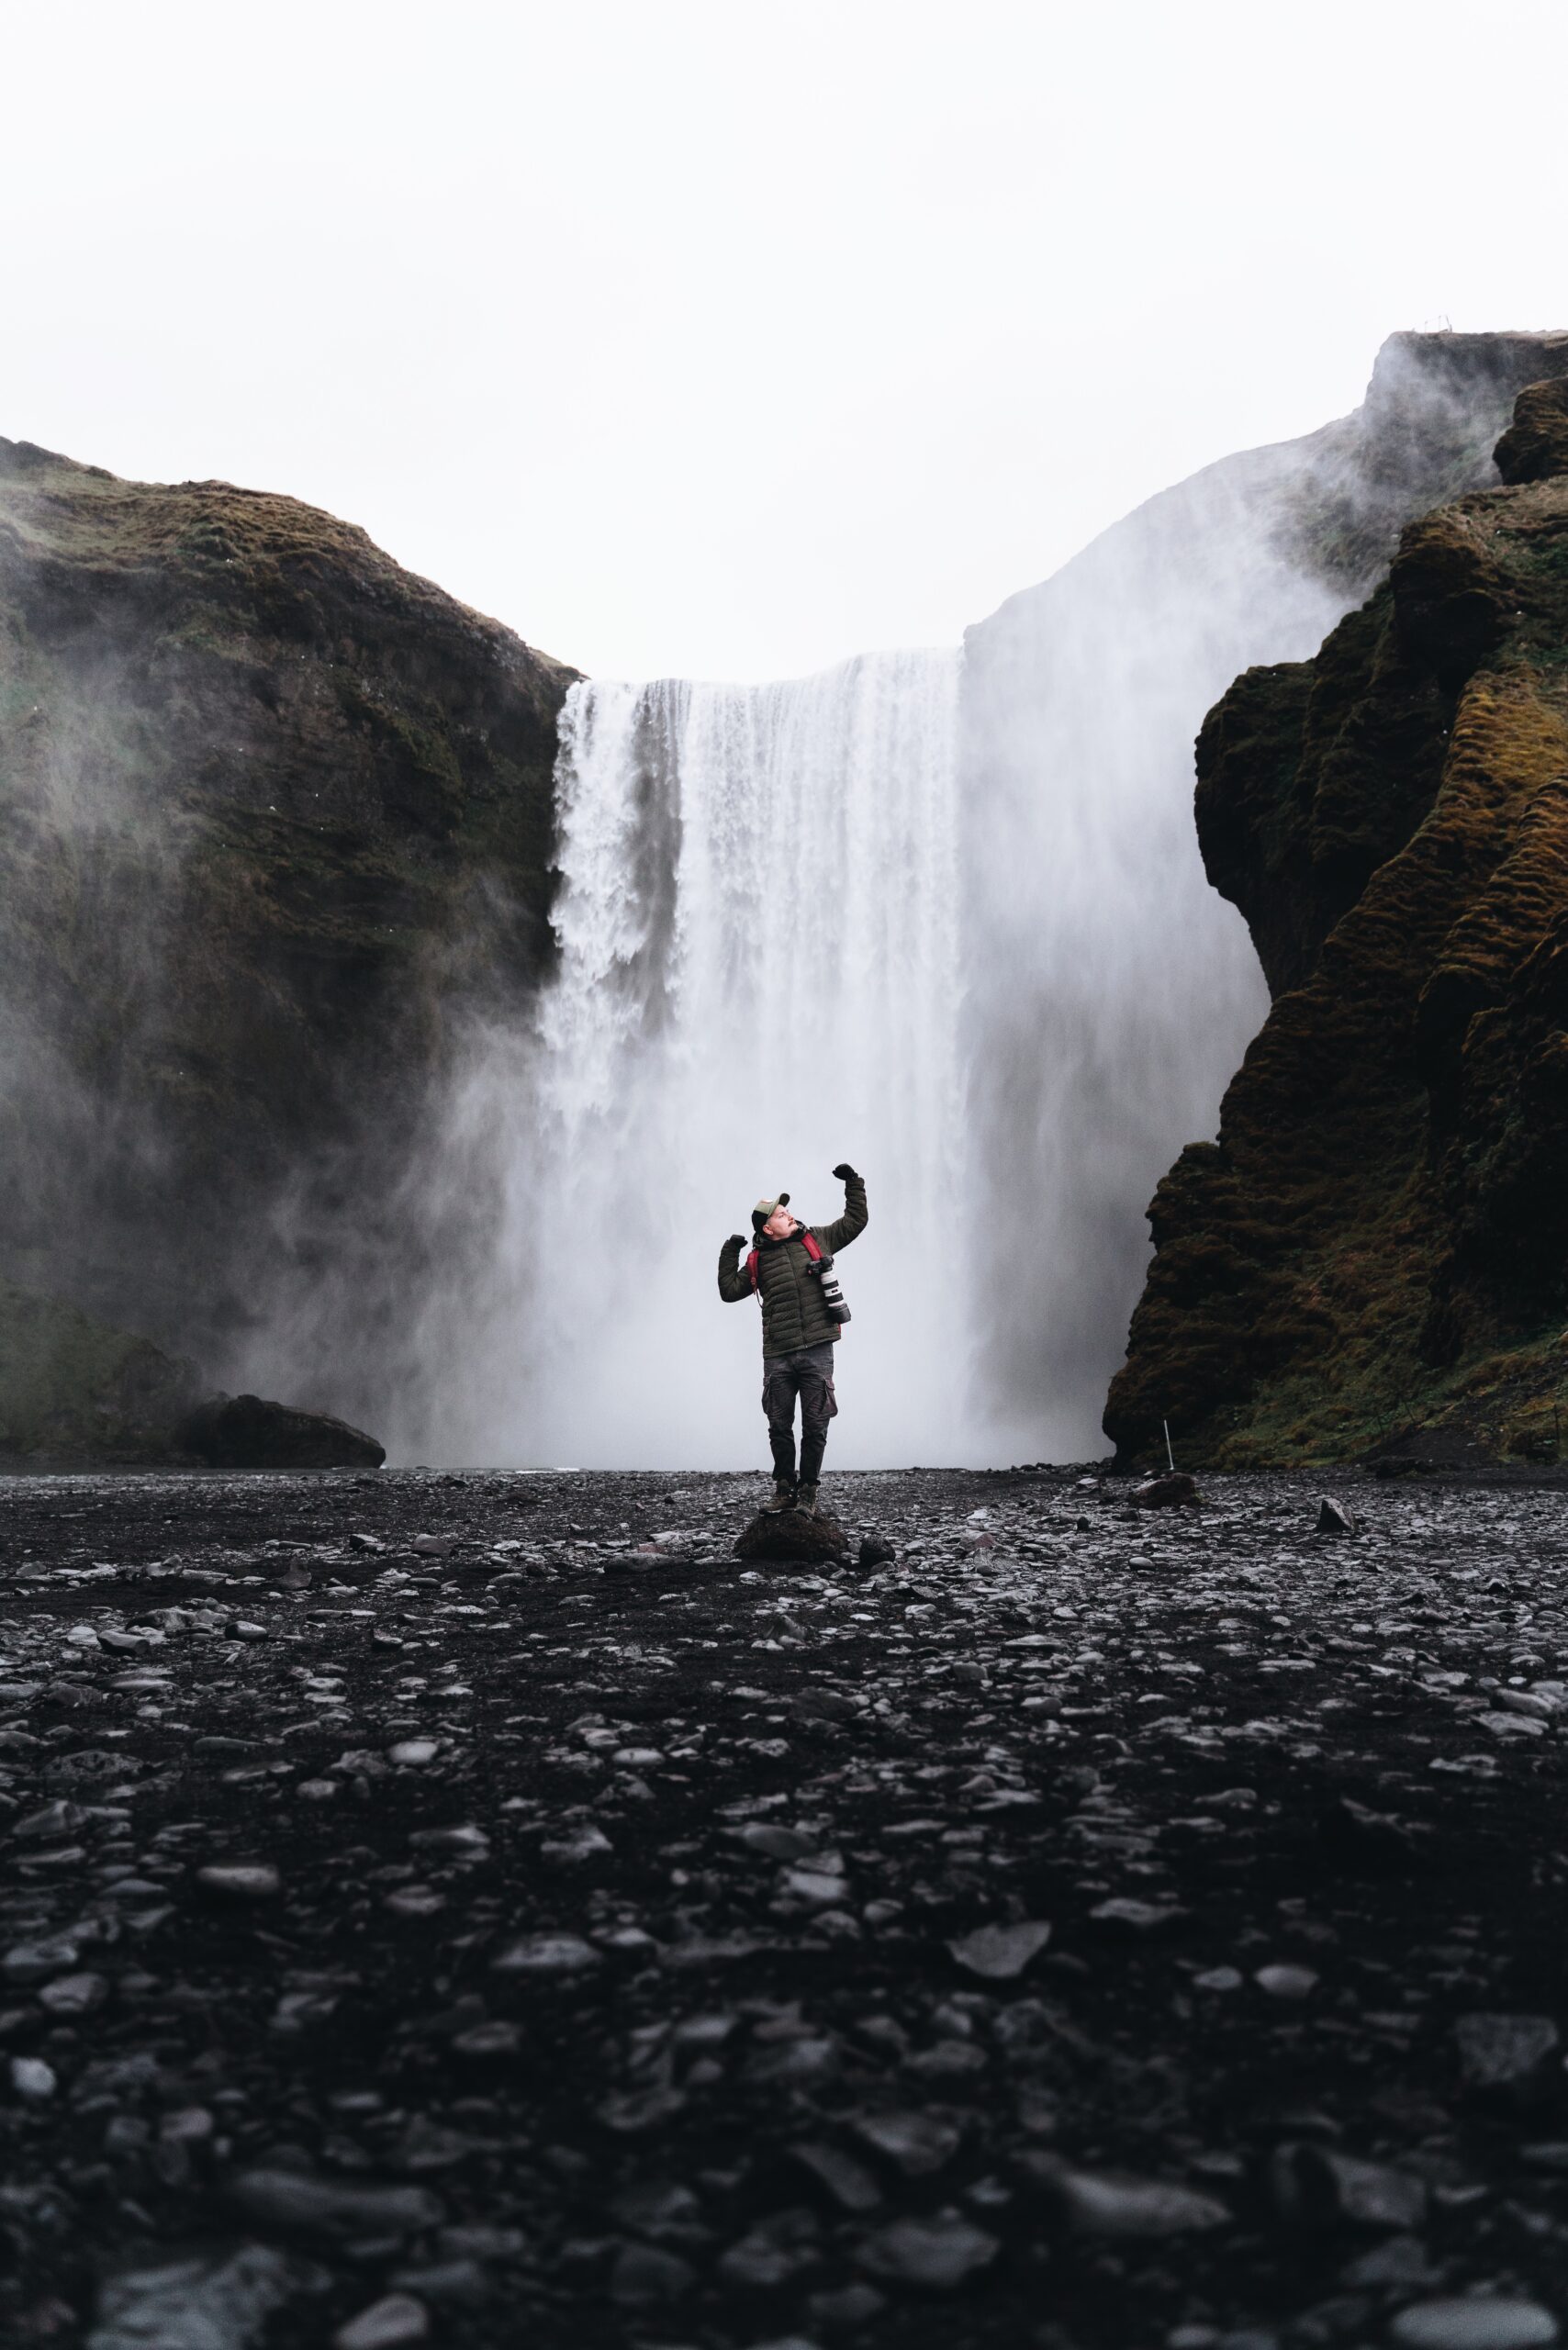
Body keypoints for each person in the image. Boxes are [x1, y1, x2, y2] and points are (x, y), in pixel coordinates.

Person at [718, 1164, 868, 1516]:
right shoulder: (757, 1260)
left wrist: (853, 1183)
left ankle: (809, 1493)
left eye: (786, 1210)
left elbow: (855, 1221)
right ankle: (784, 1488)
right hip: (779, 1355)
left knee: (816, 1425)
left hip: (818, 1349)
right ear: (768, 1228)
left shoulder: (817, 1239)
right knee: (779, 1427)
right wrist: (730, 1251)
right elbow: (728, 1291)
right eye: (780, 1214)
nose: (788, 1214)